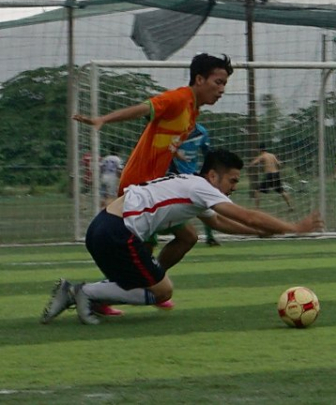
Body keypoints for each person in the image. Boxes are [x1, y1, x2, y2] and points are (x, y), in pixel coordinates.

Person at [40, 149, 324, 326]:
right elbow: (245, 216)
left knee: (188, 235)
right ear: (214, 176)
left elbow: (223, 223)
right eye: (233, 181)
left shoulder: (191, 185)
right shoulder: (202, 187)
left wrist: (261, 232)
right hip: (118, 233)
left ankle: (86, 291)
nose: (234, 187)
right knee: (162, 292)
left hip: (101, 228)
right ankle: (84, 292)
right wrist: (295, 228)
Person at [73, 53, 233, 315]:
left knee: (186, 237)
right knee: (146, 246)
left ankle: (149, 283)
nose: (222, 89)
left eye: (224, 83)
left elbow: (163, 137)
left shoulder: (193, 111)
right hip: (137, 186)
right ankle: (108, 295)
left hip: (155, 186)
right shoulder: (179, 98)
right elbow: (145, 108)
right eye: (218, 82)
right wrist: (104, 119)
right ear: (200, 79)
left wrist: (175, 156)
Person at [168, 123, 219, 246]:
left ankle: (210, 237)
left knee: (205, 205)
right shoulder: (172, 130)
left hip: (192, 176)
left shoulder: (201, 132)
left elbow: (208, 154)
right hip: (171, 175)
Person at [249, 145, 293, 210]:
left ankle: (256, 209)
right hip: (276, 174)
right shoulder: (272, 155)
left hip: (269, 175)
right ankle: (291, 206)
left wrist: (249, 166)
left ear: (260, 150)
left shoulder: (262, 156)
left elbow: (253, 163)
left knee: (257, 191)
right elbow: (279, 164)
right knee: (282, 191)